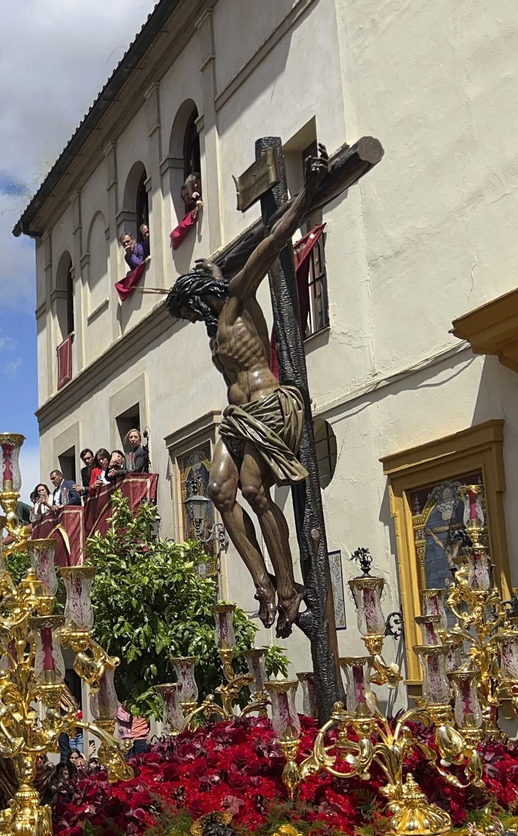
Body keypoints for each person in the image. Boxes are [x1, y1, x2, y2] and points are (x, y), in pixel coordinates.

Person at [166, 143, 330, 636]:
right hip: (236, 419)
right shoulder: (217, 329)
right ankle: (263, 583)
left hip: (269, 407)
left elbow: (275, 237)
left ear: (204, 301)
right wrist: (211, 273)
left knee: (256, 493)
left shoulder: (239, 300)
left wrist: (310, 191)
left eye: (195, 311)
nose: (196, 321)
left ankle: (289, 587)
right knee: (219, 492)